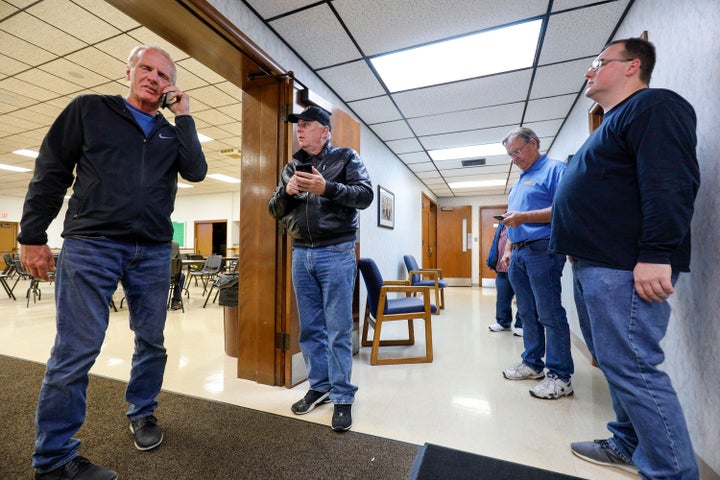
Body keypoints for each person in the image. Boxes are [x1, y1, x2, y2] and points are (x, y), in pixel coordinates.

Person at [18, 45, 207, 479]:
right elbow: (50, 171)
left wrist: (185, 117)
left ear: (169, 87)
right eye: (147, 68)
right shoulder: (89, 110)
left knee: (152, 341)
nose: (154, 78)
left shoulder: (168, 131)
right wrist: (31, 236)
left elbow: (196, 171)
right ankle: (53, 460)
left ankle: (142, 411)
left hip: (154, 251)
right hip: (92, 245)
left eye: (164, 75)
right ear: (129, 71)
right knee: (75, 352)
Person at [550, 38, 700, 479]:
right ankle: (627, 442)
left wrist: (657, 254)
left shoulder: (653, 106)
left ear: (633, 65)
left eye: (598, 63)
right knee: (615, 364)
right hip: (595, 265)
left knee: (633, 367)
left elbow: (670, 181)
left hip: (623, 266)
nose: (589, 72)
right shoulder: (613, 123)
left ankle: (671, 471)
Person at [268, 105, 373, 432]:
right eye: (298, 126)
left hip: (337, 251)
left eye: (307, 125)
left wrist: (326, 188)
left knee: (338, 327)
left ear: (325, 131)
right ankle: (320, 386)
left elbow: (365, 195)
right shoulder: (292, 167)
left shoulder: (346, 158)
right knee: (310, 327)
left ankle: (342, 396)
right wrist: (287, 192)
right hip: (301, 253)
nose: (300, 130)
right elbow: (274, 209)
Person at [498, 127, 573, 400]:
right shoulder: (519, 180)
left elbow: (564, 209)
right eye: (510, 155)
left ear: (534, 143)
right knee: (527, 313)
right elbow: (512, 219)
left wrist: (524, 217)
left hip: (543, 250)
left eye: (517, 151)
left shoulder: (555, 170)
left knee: (549, 313)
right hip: (518, 252)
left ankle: (560, 376)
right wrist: (508, 248)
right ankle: (532, 363)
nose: (515, 158)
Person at [486, 223, 523, 336]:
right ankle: (503, 323)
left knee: (522, 298)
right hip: (501, 268)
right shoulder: (502, 225)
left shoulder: (520, 221)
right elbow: (496, 242)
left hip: (518, 267)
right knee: (502, 298)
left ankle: (521, 325)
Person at [170, 241, 185, 310]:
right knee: (181, 276)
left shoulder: (155, 242)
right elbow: (179, 260)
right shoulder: (175, 245)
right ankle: (175, 301)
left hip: (157, 276)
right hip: (172, 276)